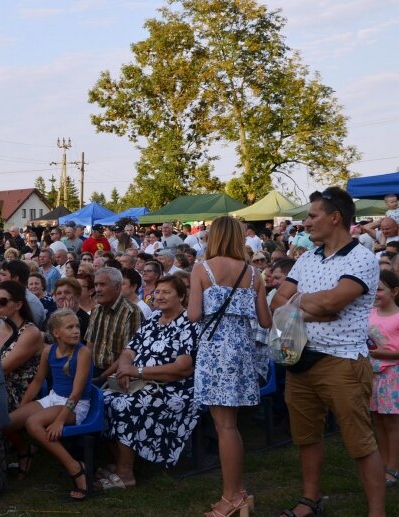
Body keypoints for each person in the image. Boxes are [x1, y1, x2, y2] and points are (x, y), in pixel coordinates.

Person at [271, 187, 385, 517]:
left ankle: (377, 513)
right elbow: (279, 301)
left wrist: (301, 303)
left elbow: (336, 301)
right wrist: (315, 306)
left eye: (312, 215)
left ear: (334, 218)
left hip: (343, 362)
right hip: (300, 358)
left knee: (360, 443)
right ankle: (310, 501)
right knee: (307, 437)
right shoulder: (306, 258)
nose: (306, 223)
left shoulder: (361, 257)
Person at [188, 215, 270, 517]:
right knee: (230, 425)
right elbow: (265, 320)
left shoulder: (202, 269)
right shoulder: (252, 273)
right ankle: (239, 494)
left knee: (224, 426)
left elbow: (194, 315)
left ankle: (231, 497)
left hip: (214, 351)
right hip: (242, 350)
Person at [100, 275, 199, 488]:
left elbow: (182, 367)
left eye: (166, 292)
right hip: (139, 381)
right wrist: (125, 369)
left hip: (173, 387)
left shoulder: (188, 323)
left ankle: (126, 473)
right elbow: (129, 350)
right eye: (157, 292)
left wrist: (138, 371)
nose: (159, 296)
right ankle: (121, 463)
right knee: (103, 399)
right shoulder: (153, 319)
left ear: (181, 296)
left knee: (126, 405)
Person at [6, 309, 93, 500]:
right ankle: (25, 452)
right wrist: (22, 406)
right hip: (54, 398)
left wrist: (59, 421)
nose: (76, 330)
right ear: (56, 333)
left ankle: (75, 467)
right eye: (70, 327)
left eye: (77, 326)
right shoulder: (49, 350)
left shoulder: (83, 352)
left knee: (33, 423)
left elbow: (76, 392)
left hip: (75, 405)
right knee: (8, 422)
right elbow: (37, 381)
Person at [0, 280, 44, 412]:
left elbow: (2, 369)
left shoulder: (30, 333)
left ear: (18, 305)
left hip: (16, 394)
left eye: (3, 301)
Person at [368, 270, 399, 488]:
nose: (375, 293)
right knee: (378, 420)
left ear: (395, 291)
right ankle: (382, 461)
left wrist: (380, 354)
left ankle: (393, 466)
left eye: (380, 289)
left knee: (392, 423)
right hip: (372, 375)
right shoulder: (370, 313)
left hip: (392, 375)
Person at [84, 267, 141, 382]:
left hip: (117, 373)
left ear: (117, 287)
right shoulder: (96, 310)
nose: (98, 289)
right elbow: (89, 346)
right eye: (96, 285)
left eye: (102, 284)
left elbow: (128, 353)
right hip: (94, 370)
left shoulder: (131, 312)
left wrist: (100, 378)